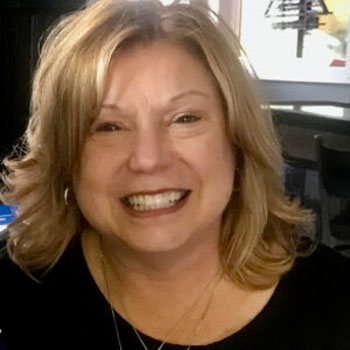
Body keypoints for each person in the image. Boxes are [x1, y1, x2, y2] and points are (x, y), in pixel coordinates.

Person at [0, 0, 349, 349]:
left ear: (237, 139)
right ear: (67, 158)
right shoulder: (23, 286)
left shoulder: (335, 305)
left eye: (185, 119)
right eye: (108, 126)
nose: (148, 159)